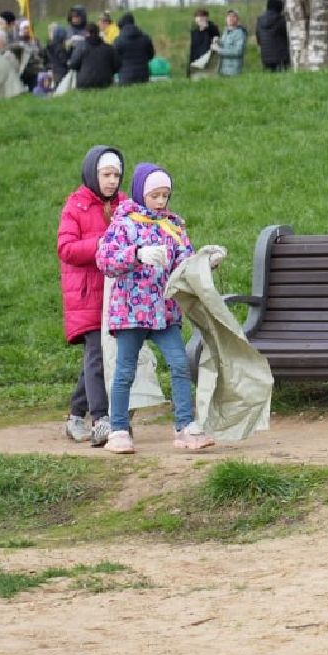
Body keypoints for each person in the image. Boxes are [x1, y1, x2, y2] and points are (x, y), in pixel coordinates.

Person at [96, 164, 226, 454]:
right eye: (155, 195)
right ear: (142, 192)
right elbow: (105, 260)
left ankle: (184, 426)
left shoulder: (174, 226)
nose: (161, 201)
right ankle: (118, 430)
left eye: (165, 195)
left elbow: (186, 264)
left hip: (165, 311)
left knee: (179, 365)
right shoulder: (124, 223)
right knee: (124, 371)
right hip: (130, 311)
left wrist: (207, 262)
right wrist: (137, 254)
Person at [58, 146, 125, 447]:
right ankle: (101, 419)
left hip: (116, 293)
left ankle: (75, 416)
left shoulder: (125, 204)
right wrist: (103, 243)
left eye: (116, 175)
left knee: (98, 357)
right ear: (92, 174)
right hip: (87, 295)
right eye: (106, 175)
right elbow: (67, 249)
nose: (112, 181)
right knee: (97, 353)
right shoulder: (76, 206)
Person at [70, 23, 118, 89]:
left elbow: (73, 65)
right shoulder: (108, 48)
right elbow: (117, 65)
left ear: (87, 33)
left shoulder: (80, 47)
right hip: (106, 82)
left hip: (84, 84)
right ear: (98, 33)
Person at [113, 12, 155, 86]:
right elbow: (151, 56)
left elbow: (114, 60)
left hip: (125, 78)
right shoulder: (145, 38)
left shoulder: (118, 41)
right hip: (144, 77)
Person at [256, 0, 291, 71]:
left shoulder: (260, 21)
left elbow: (258, 39)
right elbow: (288, 35)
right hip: (281, 57)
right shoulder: (281, 20)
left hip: (265, 57)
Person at [187, 8, 220, 79]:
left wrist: (207, 26)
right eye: (198, 17)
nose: (200, 20)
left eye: (202, 17)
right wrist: (189, 70)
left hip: (208, 62)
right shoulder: (194, 32)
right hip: (196, 63)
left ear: (206, 18)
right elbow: (192, 50)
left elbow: (216, 34)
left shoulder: (212, 28)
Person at [219, 10, 248, 76]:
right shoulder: (225, 32)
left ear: (237, 19)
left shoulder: (240, 33)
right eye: (228, 16)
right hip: (222, 71)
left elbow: (238, 51)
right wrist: (217, 43)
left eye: (233, 16)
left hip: (233, 72)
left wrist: (220, 51)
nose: (230, 18)